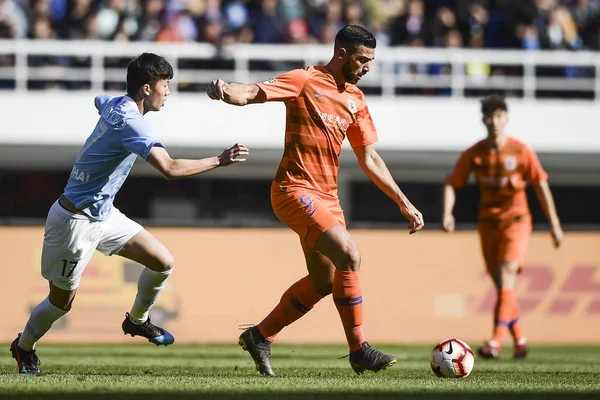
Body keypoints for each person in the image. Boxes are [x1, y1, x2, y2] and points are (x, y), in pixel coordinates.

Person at [10, 53, 249, 375]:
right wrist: (220, 160)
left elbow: (100, 100)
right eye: (165, 85)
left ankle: (137, 321)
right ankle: (23, 347)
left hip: (104, 215)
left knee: (162, 261)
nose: (168, 92)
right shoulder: (131, 122)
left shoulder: (114, 104)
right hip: (74, 222)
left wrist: (103, 108)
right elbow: (170, 168)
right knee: (61, 303)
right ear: (148, 88)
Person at [206, 25, 424, 376]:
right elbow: (253, 92)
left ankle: (260, 335)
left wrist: (403, 201)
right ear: (341, 54)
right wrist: (226, 90)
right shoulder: (305, 80)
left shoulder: (356, 99)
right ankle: (359, 349)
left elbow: (369, 158)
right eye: (363, 59)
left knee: (324, 281)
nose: (368, 67)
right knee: (350, 254)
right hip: (293, 189)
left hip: (327, 198)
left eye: (371, 61)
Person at [442, 94, 563, 360]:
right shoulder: (475, 153)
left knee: (507, 273)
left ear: (506, 119)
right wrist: (448, 212)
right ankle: (520, 340)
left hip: (517, 222)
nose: (494, 121)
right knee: (502, 286)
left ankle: (495, 342)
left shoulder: (521, 151)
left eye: (499, 116)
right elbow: (452, 182)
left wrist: (554, 224)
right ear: (483, 120)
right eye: (489, 116)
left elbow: (541, 185)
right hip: (488, 224)